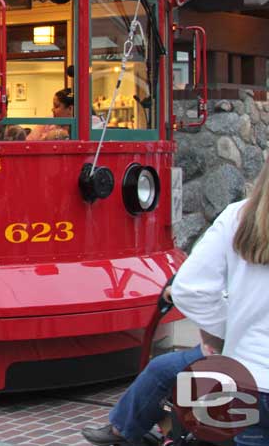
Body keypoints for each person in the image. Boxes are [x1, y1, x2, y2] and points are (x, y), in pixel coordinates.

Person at [82, 160, 269, 446]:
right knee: (165, 368)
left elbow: (191, 289)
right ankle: (127, 428)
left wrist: (225, 334)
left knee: (167, 368)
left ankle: (128, 429)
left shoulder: (238, 217)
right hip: (243, 364)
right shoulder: (241, 217)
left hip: (246, 376)